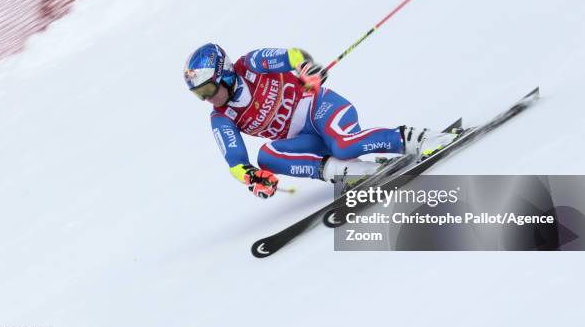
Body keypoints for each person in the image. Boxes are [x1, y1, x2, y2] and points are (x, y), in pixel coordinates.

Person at [183, 43, 456, 199]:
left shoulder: (250, 64)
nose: (206, 98)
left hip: (319, 108)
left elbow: (292, 56)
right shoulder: (221, 118)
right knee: (267, 157)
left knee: (343, 146)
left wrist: (305, 69)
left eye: (207, 89)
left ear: (226, 74)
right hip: (305, 140)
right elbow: (236, 163)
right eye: (198, 95)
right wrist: (253, 178)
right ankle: (353, 173)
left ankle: (420, 139)